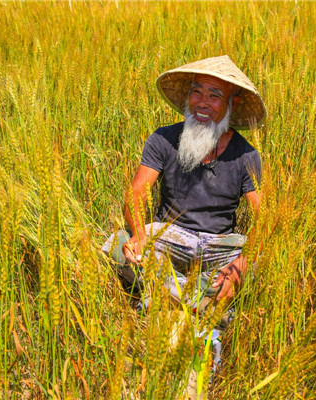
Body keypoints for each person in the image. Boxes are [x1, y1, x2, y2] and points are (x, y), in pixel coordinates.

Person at [102, 55, 266, 312]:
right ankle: (204, 302)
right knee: (117, 244)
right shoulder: (163, 139)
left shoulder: (246, 155)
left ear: (231, 104)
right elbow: (136, 193)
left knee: (264, 259)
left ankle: (164, 295)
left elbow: (264, 218)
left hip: (219, 243)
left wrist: (240, 266)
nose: (202, 103)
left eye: (214, 96)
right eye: (196, 92)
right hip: (169, 235)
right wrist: (140, 235)